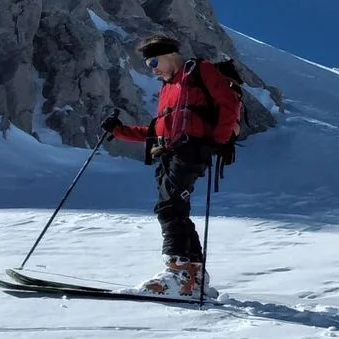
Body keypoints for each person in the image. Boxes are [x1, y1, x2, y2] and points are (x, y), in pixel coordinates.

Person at [100, 35, 241, 296]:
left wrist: (216, 141)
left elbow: (228, 103)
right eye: (148, 64)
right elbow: (157, 130)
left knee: (169, 206)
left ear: (169, 55)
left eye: (153, 62)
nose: (151, 69)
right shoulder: (168, 89)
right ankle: (193, 276)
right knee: (176, 209)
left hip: (191, 148)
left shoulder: (198, 70)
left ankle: (176, 274)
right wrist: (119, 131)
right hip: (167, 153)